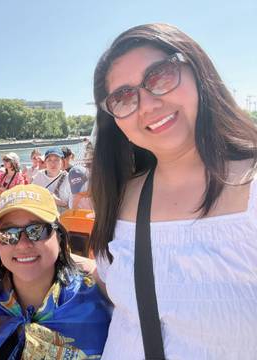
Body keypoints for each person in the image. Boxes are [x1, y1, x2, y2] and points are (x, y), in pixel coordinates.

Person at [90, 23, 257, 359]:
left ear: (195, 69)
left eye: (160, 75)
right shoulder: (119, 196)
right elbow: (111, 284)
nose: (148, 105)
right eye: (123, 97)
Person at [0, 184, 111, 359]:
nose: (23, 244)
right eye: (8, 233)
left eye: (36, 230)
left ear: (58, 236)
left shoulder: (93, 300)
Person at [32, 147, 71, 213]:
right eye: (49, 160)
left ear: (62, 161)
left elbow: (73, 206)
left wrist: (58, 201)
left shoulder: (68, 178)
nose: (53, 163)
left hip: (62, 219)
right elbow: (32, 198)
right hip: (43, 217)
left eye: (56, 160)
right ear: (45, 162)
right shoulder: (39, 176)